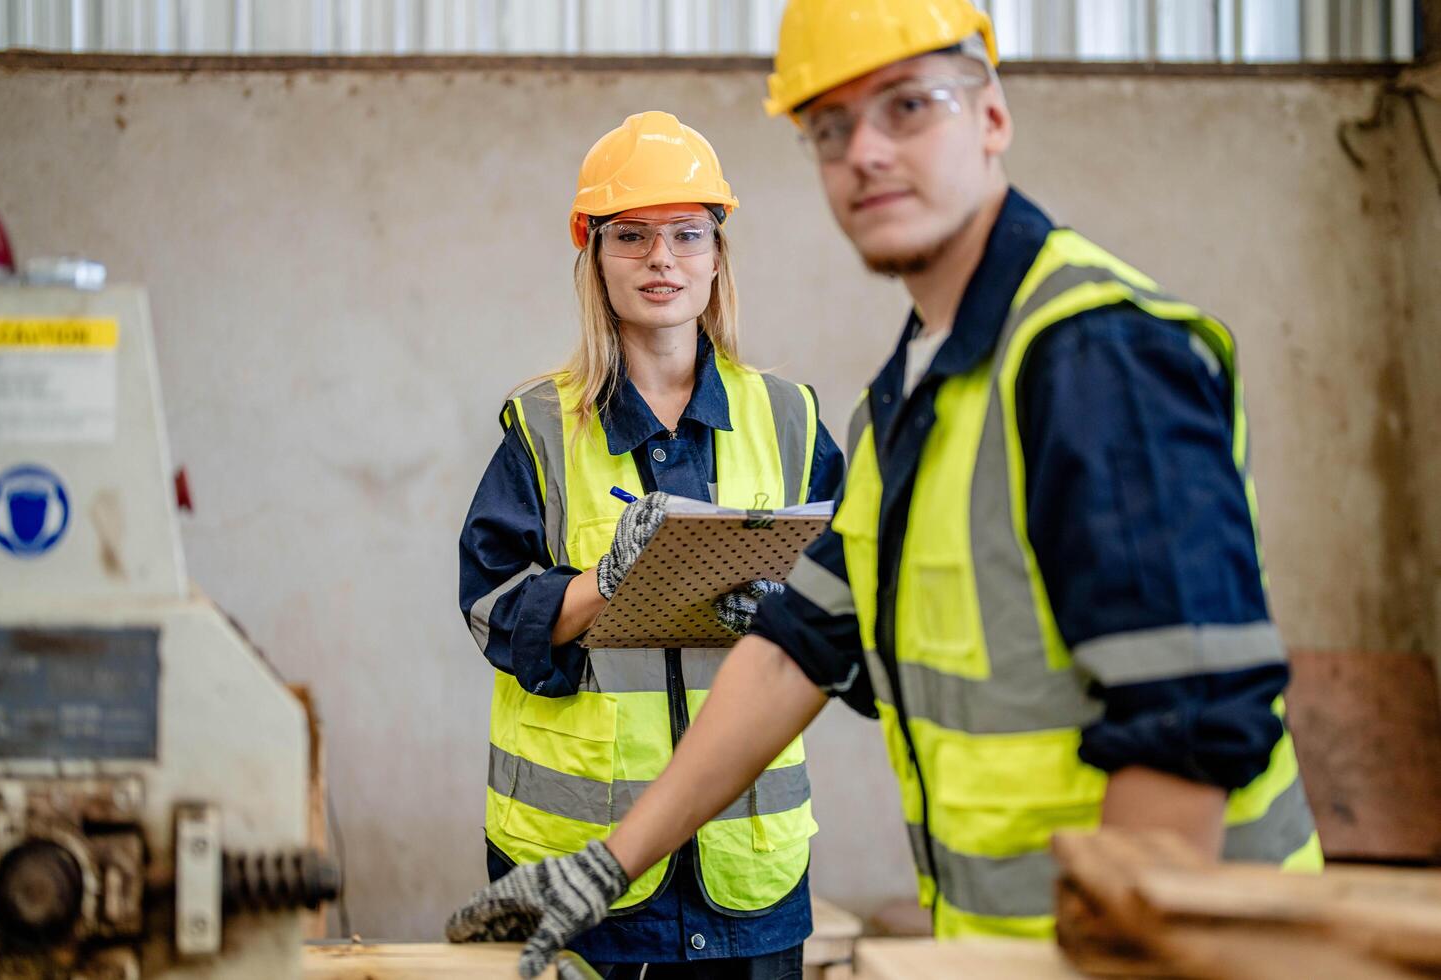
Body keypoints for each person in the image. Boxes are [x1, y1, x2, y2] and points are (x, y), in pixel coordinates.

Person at [448, 5, 1322, 975]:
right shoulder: (911, 394)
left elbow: (1192, 724)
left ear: (992, 118)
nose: (864, 151)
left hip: (1177, 953)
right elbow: (796, 651)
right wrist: (607, 864)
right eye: (830, 126)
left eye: (908, 105)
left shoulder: (1093, 355)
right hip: (1018, 946)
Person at [455, 110, 845, 979]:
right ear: (593, 254)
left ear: (717, 256)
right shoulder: (544, 427)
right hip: (588, 872)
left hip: (745, 876)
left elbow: (854, 603)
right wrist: (606, 582)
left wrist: (787, 615)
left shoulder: (790, 419)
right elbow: (490, 611)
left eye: (685, 235)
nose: (660, 259)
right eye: (630, 236)